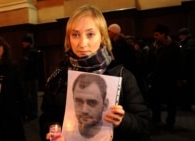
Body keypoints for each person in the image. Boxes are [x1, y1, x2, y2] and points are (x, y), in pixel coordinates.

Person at [39, 4, 151, 141]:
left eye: (90, 34)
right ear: (69, 38)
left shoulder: (123, 76)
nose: (82, 43)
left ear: (103, 37)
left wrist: (123, 120)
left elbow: (144, 126)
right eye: (75, 35)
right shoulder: (59, 77)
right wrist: (53, 131)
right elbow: (47, 118)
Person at [146, 24, 183, 130]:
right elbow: (149, 62)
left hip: (170, 78)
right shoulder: (154, 46)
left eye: (157, 35)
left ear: (164, 35)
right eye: (154, 35)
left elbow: (179, 63)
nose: (155, 37)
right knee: (155, 100)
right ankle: (156, 118)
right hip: (156, 78)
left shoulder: (174, 46)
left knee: (171, 102)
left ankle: (170, 122)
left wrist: (179, 78)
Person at [66, 73, 111, 140]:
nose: (84, 110)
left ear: (105, 105)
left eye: (92, 103)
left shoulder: (111, 135)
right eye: (79, 102)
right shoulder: (65, 131)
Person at [19, 35, 39, 121]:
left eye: (24, 41)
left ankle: (33, 113)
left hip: (30, 77)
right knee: (28, 95)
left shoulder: (32, 52)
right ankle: (30, 112)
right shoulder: (26, 51)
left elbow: (33, 66)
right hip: (26, 77)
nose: (22, 43)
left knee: (31, 96)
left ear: (28, 43)